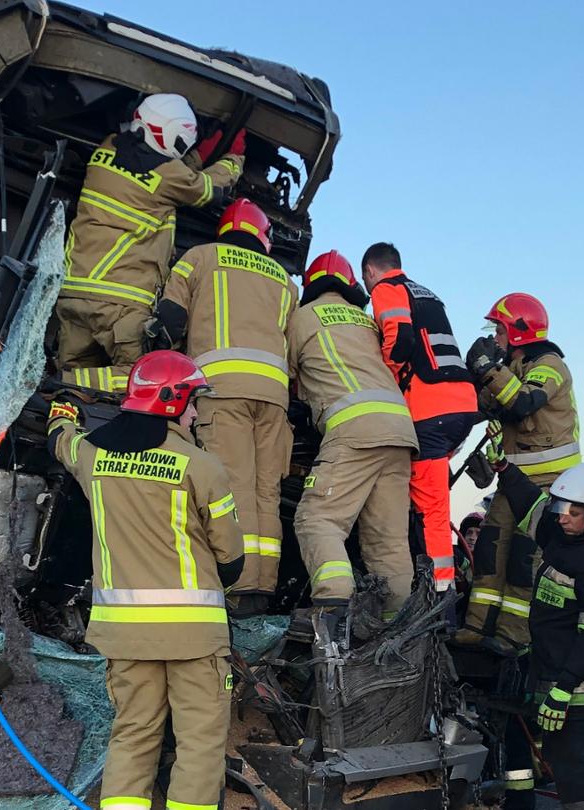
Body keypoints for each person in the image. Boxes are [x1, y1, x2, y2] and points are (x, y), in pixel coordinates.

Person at [45, 351, 244, 810]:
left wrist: (63, 409)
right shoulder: (202, 467)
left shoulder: (91, 455)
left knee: (133, 736)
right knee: (199, 743)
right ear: (172, 401)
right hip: (195, 638)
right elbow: (231, 558)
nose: (196, 412)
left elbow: (60, 441)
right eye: (193, 401)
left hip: (125, 636)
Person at [155, 199, 294, 614]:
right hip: (275, 398)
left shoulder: (200, 257)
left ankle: (234, 587)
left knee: (230, 486)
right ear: (263, 236)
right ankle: (261, 588)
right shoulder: (285, 279)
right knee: (266, 493)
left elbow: (170, 318)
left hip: (222, 389)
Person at [55, 93, 245, 391]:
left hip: (73, 292)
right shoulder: (169, 176)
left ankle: (62, 397)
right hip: (122, 304)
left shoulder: (104, 151)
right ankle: (59, 382)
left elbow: (170, 169)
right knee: (139, 379)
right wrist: (234, 157)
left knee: (71, 388)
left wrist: (201, 154)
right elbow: (209, 189)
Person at [285, 249, 419, 636]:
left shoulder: (302, 318)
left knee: (318, 519)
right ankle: (396, 629)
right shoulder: (366, 320)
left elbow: (288, 377)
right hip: (398, 431)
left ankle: (332, 607)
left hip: (353, 429)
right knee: (388, 543)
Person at [494, 461, 584, 810]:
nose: (563, 516)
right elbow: (533, 506)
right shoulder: (562, 537)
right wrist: (505, 469)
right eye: (561, 507)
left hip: (580, 694)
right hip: (556, 683)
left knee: (580, 775)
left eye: (574, 511)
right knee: (567, 771)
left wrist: (564, 688)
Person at [459, 292, 581, 654]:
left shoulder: (550, 365)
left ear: (519, 330)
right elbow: (481, 405)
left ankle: (513, 637)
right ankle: (476, 629)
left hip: (548, 484)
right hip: (511, 481)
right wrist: (469, 376)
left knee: (524, 560)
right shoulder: (511, 368)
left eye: (498, 329)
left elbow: (523, 401)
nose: (494, 337)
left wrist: (487, 369)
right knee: (489, 553)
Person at [362, 243, 479, 595]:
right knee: (430, 504)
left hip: (430, 410)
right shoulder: (428, 294)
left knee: (430, 512)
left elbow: (399, 341)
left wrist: (384, 383)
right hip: (460, 408)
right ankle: (438, 591)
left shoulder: (387, 289)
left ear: (370, 272)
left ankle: (438, 601)